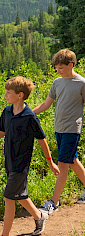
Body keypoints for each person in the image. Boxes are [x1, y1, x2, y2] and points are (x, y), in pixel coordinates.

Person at [0, 76, 59, 236]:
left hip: (21, 164)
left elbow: (42, 139)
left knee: (9, 197)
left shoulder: (29, 116)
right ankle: (39, 215)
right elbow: (0, 132)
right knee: (19, 195)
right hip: (9, 161)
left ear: (20, 95)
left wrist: (50, 162)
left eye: (8, 93)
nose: (5, 95)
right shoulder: (7, 112)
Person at [33, 49, 85, 213]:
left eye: (61, 67)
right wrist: (27, 114)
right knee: (72, 160)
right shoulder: (57, 82)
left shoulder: (82, 83)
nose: (58, 71)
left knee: (63, 163)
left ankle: (54, 202)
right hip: (59, 128)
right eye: (56, 68)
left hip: (72, 129)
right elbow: (46, 104)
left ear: (71, 65)